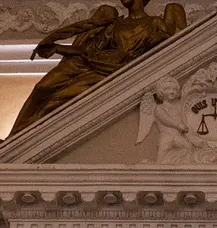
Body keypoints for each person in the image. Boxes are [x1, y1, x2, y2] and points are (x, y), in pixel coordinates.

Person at [10, 0, 186, 135]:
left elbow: (169, 51)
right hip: (94, 63)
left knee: (58, 99)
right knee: (43, 87)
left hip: (116, 72)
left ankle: (24, 136)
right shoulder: (114, 24)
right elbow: (87, 50)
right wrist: (58, 47)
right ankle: (13, 137)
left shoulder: (155, 22)